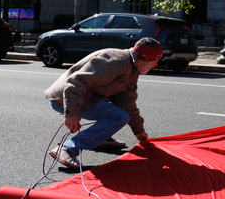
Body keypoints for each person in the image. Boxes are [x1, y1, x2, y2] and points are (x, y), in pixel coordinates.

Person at [45, 37, 163, 169]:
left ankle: (101, 138)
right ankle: (68, 149)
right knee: (120, 117)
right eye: (155, 60)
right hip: (64, 99)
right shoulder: (117, 62)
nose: (155, 65)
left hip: (85, 95)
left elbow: (127, 102)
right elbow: (76, 82)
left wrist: (138, 130)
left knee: (121, 106)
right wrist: (72, 112)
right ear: (145, 57)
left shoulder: (133, 69)